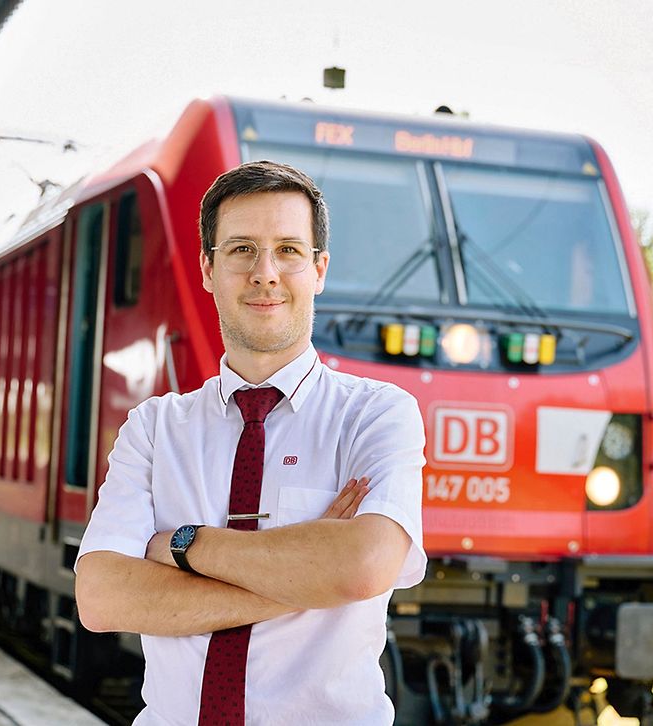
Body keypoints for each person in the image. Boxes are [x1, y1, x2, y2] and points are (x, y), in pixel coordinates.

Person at [75, 160, 426, 725]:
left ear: (319, 269)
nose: (265, 272)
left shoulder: (378, 415)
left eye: (288, 249)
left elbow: (362, 566)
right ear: (208, 270)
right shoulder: (153, 428)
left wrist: (183, 546)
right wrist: (308, 579)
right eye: (241, 250)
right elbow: (101, 598)